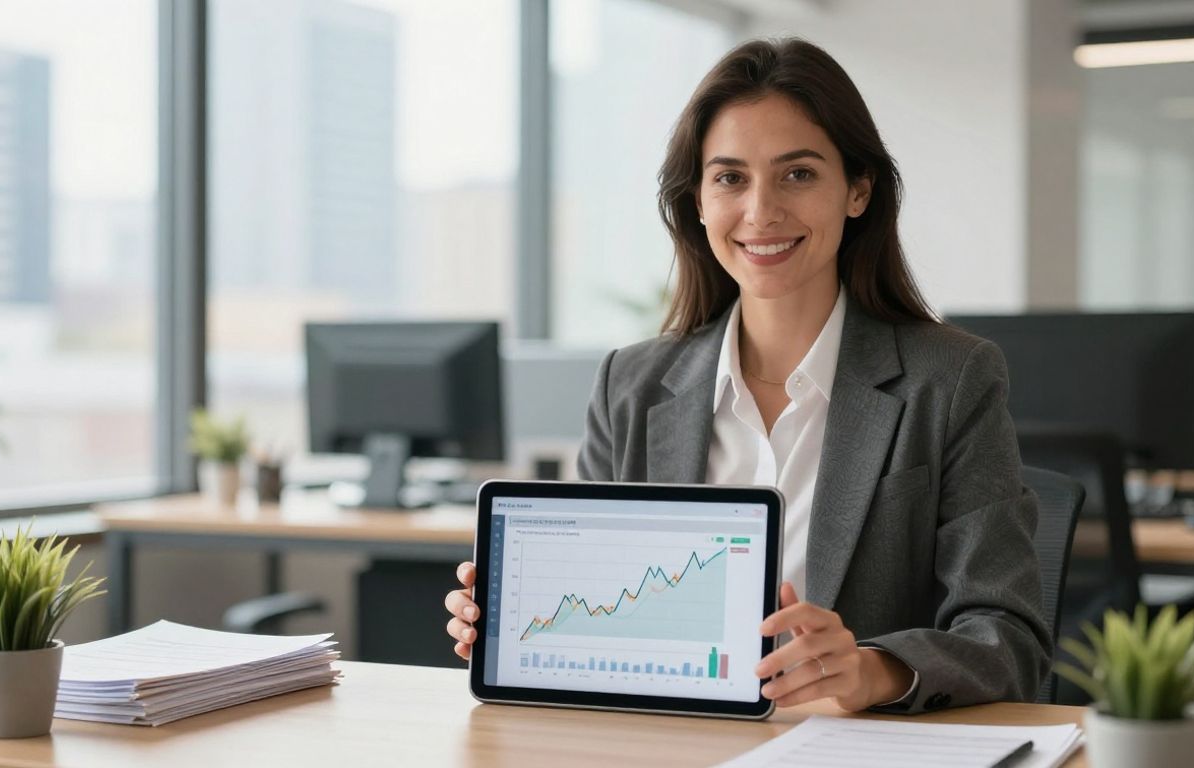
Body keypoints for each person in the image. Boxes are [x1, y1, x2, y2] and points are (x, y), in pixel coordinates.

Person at [444, 37, 1051, 714]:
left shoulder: (951, 380)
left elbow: (1008, 637)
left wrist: (872, 670)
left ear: (857, 190)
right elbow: (597, 610)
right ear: (698, 202)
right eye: (730, 178)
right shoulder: (631, 385)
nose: (761, 212)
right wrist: (518, 625)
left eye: (798, 174)